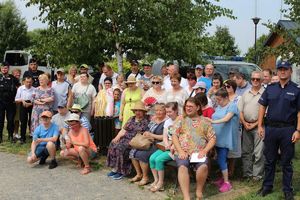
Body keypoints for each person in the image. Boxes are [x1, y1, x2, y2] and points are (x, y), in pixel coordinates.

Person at [257, 60, 300, 200]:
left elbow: (299, 112)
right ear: (277, 71)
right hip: (271, 129)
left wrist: (298, 130)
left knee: (287, 162)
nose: (283, 71)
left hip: (288, 129)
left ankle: (287, 190)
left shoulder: (296, 89)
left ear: (290, 71)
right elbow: (262, 107)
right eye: (280, 69)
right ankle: (267, 187)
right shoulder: (270, 88)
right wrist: (259, 125)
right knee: (269, 160)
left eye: (285, 69)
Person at [172, 97, 216, 200]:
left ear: (198, 107)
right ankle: (186, 197)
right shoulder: (181, 119)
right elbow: (174, 136)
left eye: (191, 106)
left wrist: (205, 151)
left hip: (199, 153)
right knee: (182, 167)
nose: (188, 108)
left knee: (203, 166)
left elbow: (213, 139)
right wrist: (180, 150)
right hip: (183, 152)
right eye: (186, 106)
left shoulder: (205, 121)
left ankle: (199, 191)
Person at [106, 101, 149, 180]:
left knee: (120, 147)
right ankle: (115, 168)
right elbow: (123, 130)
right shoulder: (131, 118)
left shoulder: (145, 121)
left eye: (140, 111)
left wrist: (131, 140)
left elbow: (144, 135)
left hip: (134, 140)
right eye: (136, 110)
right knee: (113, 144)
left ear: (143, 112)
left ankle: (122, 171)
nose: (138, 112)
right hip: (125, 138)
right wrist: (117, 137)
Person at [129, 103, 166, 186]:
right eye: (156, 110)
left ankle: (145, 178)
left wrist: (152, 135)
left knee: (142, 154)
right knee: (132, 151)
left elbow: (165, 137)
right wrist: (146, 133)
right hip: (148, 141)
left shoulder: (166, 122)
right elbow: (147, 129)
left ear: (165, 111)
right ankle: (139, 174)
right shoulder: (154, 119)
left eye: (160, 110)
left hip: (158, 144)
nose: (158, 112)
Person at [210, 88, 239, 193]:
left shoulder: (232, 106)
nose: (218, 102)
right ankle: (223, 178)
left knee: (222, 159)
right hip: (218, 137)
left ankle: (227, 182)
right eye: (217, 99)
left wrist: (212, 121)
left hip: (226, 138)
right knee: (220, 159)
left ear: (226, 97)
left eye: (219, 99)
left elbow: (226, 119)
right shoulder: (219, 106)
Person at [238, 71, 265, 181]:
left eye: (258, 79)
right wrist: (244, 123)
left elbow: (266, 113)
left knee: (259, 152)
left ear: (262, 81)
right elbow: (240, 110)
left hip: (259, 126)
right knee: (246, 152)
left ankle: (257, 175)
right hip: (246, 125)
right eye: (253, 79)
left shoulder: (265, 93)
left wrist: (255, 124)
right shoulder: (245, 93)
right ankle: (247, 174)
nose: (255, 81)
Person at [149, 102, 179, 192]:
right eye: (167, 112)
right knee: (152, 158)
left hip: (177, 147)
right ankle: (156, 180)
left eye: (170, 112)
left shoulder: (180, 120)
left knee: (159, 159)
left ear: (176, 110)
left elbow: (181, 136)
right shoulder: (167, 121)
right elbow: (165, 135)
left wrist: (172, 144)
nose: (168, 114)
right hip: (167, 146)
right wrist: (166, 144)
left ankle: (161, 183)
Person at [0, 62, 19, 143]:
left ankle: (11, 136)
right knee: (0, 120)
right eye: (3, 68)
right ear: (0, 69)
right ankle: (0, 137)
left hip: (11, 103)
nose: (4, 69)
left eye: (6, 68)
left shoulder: (13, 78)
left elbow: (19, 87)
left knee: (10, 120)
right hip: (0, 103)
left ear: (8, 68)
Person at [15, 76, 35, 144]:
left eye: (30, 82)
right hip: (23, 104)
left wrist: (31, 103)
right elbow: (16, 99)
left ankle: (32, 135)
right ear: (24, 82)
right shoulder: (20, 88)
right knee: (23, 121)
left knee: (32, 121)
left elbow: (36, 99)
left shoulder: (34, 89)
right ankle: (22, 138)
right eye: (27, 82)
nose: (28, 83)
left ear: (32, 82)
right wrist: (22, 101)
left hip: (32, 105)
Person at [12, 68, 22, 140]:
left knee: (17, 119)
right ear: (12, 74)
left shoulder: (22, 83)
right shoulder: (10, 81)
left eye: (18, 73)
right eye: (15, 73)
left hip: (18, 103)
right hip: (10, 103)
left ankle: (16, 133)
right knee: (10, 119)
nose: (17, 74)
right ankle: (11, 132)